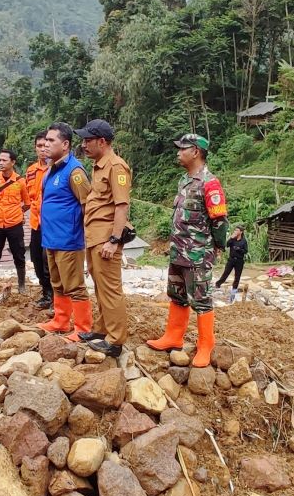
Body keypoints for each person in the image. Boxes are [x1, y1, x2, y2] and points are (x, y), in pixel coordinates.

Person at [147, 134, 228, 367]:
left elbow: (219, 220)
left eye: (182, 149)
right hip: (178, 251)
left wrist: (218, 247)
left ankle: (205, 345)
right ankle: (173, 337)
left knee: (201, 300)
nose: (178, 153)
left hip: (198, 253)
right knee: (177, 295)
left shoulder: (210, 183)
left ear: (195, 152)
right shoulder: (184, 181)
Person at [75, 120, 132, 356]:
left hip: (106, 238)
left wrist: (114, 240)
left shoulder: (116, 167)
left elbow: (121, 206)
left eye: (88, 140)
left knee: (110, 289)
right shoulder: (99, 166)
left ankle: (116, 340)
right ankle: (101, 329)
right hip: (94, 237)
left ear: (102, 141)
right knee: (100, 287)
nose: (84, 144)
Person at [36, 124, 92, 338]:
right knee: (57, 283)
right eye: (45, 141)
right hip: (50, 239)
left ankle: (83, 328)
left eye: (51, 141)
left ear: (66, 144)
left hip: (69, 239)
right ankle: (60, 320)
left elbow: (87, 204)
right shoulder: (50, 170)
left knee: (74, 286)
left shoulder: (74, 171)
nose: (46, 145)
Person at [0, 149, 31, 295]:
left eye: (4, 160)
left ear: (13, 162)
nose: (0, 163)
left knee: (19, 255)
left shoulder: (21, 181)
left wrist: (16, 212)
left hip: (15, 224)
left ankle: (22, 286)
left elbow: (27, 203)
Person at [24, 133, 53, 309]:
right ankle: (46, 293)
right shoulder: (31, 170)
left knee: (49, 261)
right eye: (39, 146)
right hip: (36, 223)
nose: (43, 149)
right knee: (36, 259)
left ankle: (55, 297)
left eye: (45, 145)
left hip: (52, 223)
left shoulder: (56, 168)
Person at [215, 226, 248, 295]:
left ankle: (234, 289)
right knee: (225, 273)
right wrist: (231, 238)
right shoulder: (233, 239)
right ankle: (218, 284)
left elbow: (246, 251)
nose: (235, 231)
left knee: (237, 276)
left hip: (239, 261)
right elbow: (227, 245)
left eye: (237, 230)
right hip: (231, 260)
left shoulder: (244, 241)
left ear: (241, 232)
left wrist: (239, 249)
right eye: (235, 230)